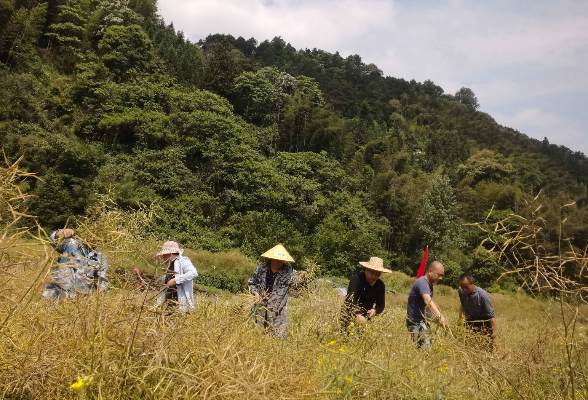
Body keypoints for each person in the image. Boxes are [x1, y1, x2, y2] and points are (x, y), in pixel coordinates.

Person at [248, 243, 305, 339]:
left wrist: (304, 276)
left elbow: (298, 282)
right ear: (272, 258)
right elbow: (252, 282)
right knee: (258, 336)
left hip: (278, 310)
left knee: (278, 338)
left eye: (282, 260)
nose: (279, 262)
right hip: (261, 307)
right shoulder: (262, 268)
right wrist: (256, 293)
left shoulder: (288, 271)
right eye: (277, 259)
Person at [42, 228, 108, 301]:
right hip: (57, 294)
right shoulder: (70, 243)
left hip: (79, 301)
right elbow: (52, 240)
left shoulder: (100, 257)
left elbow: (101, 279)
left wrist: (102, 290)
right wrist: (61, 233)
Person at [341, 257, 391, 334]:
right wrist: (357, 314)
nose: (374, 277)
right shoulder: (357, 278)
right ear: (367, 270)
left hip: (365, 316)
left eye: (377, 274)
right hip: (350, 312)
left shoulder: (380, 285)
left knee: (361, 339)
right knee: (345, 336)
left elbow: (381, 304)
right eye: (372, 273)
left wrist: (375, 311)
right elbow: (350, 298)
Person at [406, 261, 447, 349]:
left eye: (442, 275)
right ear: (430, 271)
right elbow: (427, 300)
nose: (440, 278)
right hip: (417, 322)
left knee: (427, 348)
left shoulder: (429, 284)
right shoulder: (423, 283)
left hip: (422, 322)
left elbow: (431, 300)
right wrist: (440, 316)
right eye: (438, 275)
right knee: (425, 350)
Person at [154, 241, 198, 313]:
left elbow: (193, 273)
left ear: (170, 253)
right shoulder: (170, 266)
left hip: (180, 304)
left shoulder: (183, 261)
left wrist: (175, 280)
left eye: (164, 254)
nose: (163, 257)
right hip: (169, 304)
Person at [458, 273, 497, 346]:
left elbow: (491, 316)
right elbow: (463, 304)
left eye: (466, 287)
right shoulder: (461, 291)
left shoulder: (482, 295)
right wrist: (460, 317)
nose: (464, 289)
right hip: (469, 321)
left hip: (483, 322)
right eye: (462, 287)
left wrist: (494, 333)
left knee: (486, 346)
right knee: (468, 345)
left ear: (472, 283)